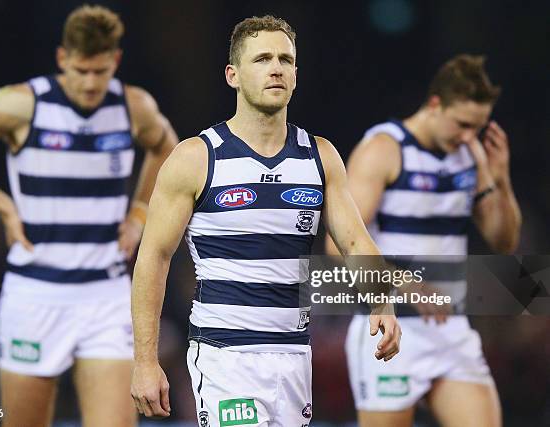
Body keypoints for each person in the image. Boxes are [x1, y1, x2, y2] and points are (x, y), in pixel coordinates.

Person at [129, 15, 401, 426]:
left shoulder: (319, 156)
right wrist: (145, 360)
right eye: (261, 59)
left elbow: (356, 243)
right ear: (232, 75)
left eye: (285, 59)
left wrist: (383, 300)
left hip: (294, 355)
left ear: (295, 74)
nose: (276, 67)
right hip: (226, 357)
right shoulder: (197, 157)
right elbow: (153, 257)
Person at [0, 5, 178, 427]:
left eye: (100, 72)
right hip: (35, 293)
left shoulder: (132, 107)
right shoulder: (20, 105)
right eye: (81, 70)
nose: (90, 83)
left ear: (115, 62)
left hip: (104, 295)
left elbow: (166, 148)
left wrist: (140, 213)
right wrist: (3, 207)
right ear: (62, 58)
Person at [327, 54, 521, 426]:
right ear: (435, 105)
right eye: (462, 124)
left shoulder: (469, 155)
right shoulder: (383, 149)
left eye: (477, 128)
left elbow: (504, 242)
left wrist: (501, 177)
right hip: (390, 326)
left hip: (449, 328)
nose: (469, 137)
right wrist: (406, 283)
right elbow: (337, 246)